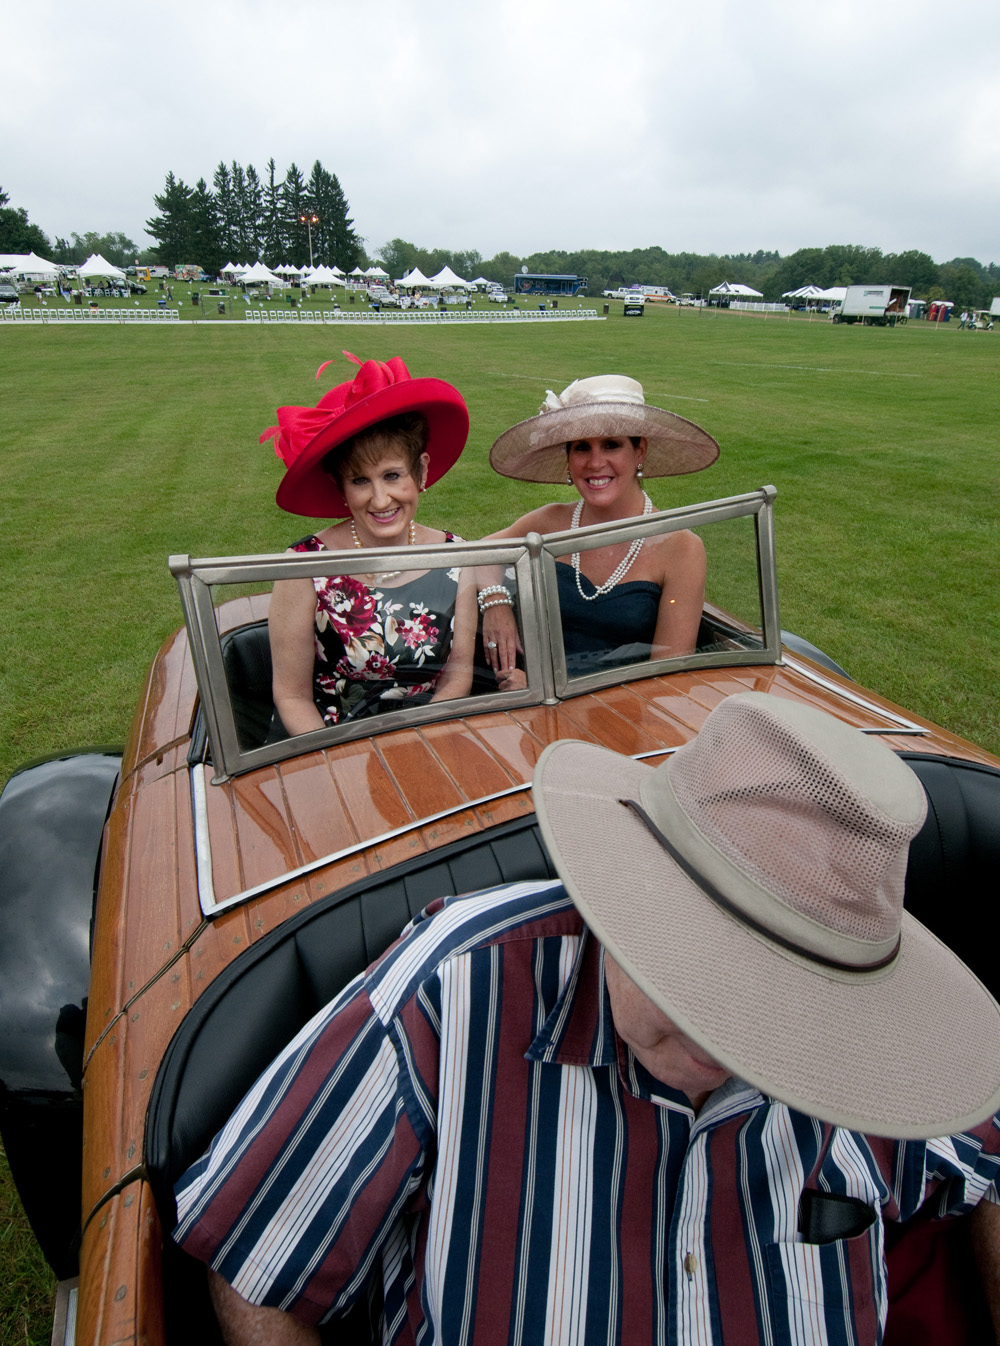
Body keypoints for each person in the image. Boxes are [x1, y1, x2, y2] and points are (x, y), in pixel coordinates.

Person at [174, 692, 1000, 1345]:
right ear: (621, 891)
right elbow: (258, 1257)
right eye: (693, 969)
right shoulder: (451, 991)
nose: (725, 1042)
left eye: (784, 1005)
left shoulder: (895, 1056)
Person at [260, 353, 477, 733]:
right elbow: (291, 696)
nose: (380, 500)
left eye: (392, 475)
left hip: (430, 735)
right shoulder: (304, 566)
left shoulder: (457, 556)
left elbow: (456, 681)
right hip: (327, 745)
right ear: (340, 487)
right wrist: (336, 765)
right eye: (360, 481)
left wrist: (421, 744)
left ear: (421, 470)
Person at [479, 374, 719, 682]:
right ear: (568, 459)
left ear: (640, 450)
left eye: (611, 445)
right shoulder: (547, 522)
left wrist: (543, 685)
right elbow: (479, 555)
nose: (595, 463)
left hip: (624, 715)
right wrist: (496, 603)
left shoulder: (681, 548)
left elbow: (668, 678)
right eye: (581, 447)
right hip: (533, 709)